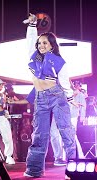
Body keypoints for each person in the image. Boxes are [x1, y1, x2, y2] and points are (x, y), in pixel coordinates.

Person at [22, 13, 76, 177]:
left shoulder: (58, 61)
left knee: (66, 131)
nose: (41, 45)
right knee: (39, 134)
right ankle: (34, 169)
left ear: (52, 45)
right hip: (40, 98)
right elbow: (30, 43)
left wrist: (70, 98)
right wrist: (32, 26)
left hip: (57, 96)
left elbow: (65, 82)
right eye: (40, 43)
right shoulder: (36, 57)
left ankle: (74, 169)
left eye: (45, 42)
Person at [0, 79, 15, 165]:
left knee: (7, 138)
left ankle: (9, 156)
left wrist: (6, 111)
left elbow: (3, 106)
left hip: (1, 118)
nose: (2, 86)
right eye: (0, 84)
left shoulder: (3, 94)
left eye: (2, 84)